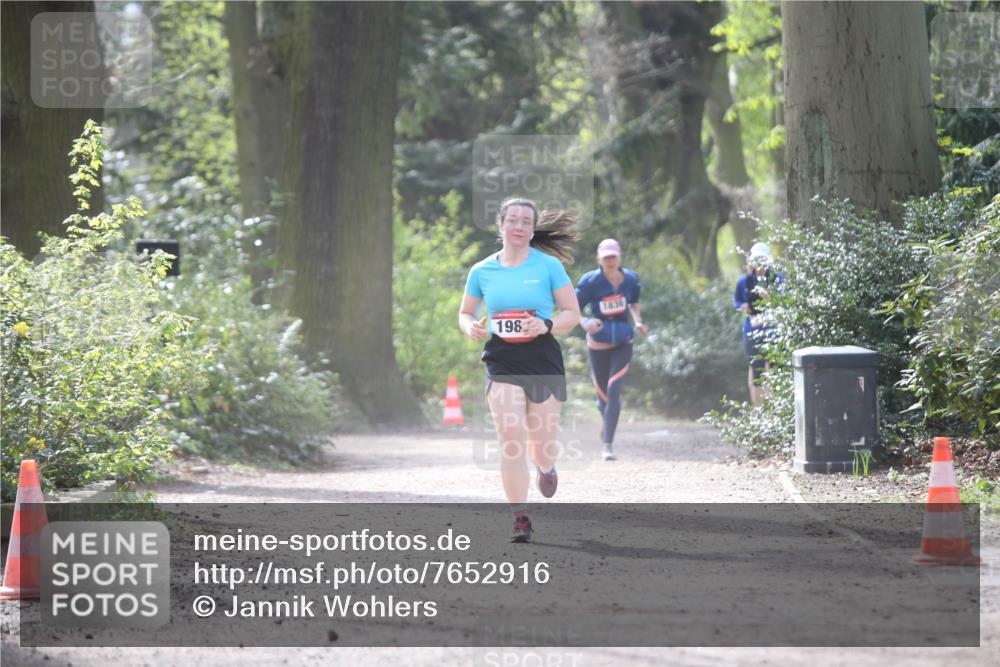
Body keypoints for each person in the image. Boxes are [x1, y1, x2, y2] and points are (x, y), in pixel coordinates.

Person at [459, 197, 581, 543]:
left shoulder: (548, 267)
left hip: (542, 359)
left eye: (526, 221)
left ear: (532, 230)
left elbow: (572, 313)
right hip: (501, 360)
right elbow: (466, 312)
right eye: (512, 220)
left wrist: (545, 324)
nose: (518, 226)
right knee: (510, 437)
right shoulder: (482, 271)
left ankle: (546, 467)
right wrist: (469, 326)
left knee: (541, 444)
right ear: (501, 226)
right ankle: (520, 518)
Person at [575, 239, 647, 462]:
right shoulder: (590, 281)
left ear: (619, 256)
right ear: (599, 258)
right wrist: (584, 321)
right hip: (598, 343)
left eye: (613, 256)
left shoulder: (631, 279)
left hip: (624, 341)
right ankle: (604, 418)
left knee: (614, 389)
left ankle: (608, 445)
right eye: (606, 257)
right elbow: (572, 308)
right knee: (603, 398)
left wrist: (638, 322)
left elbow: (634, 302)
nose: (610, 261)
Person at [733, 242, 780, 405]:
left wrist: (770, 298)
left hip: (774, 330)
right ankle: (757, 411)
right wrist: (742, 307)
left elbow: (785, 303)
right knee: (755, 369)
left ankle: (775, 411)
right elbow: (737, 301)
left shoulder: (777, 279)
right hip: (752, 330)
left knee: (775, 371)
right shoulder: (744, 282)